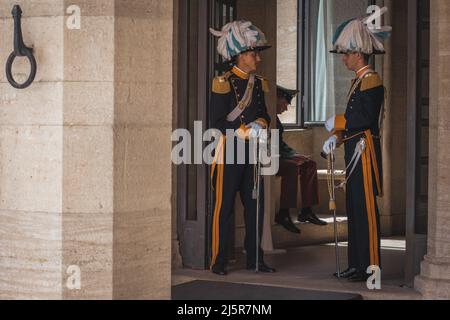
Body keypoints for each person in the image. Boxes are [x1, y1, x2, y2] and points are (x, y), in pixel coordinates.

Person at [322, 7, 391, 282]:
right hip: (354, 152)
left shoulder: (371, 81)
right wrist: (336, 139)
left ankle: (371, 266)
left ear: (358, 53)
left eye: (346, 54)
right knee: (354, 209)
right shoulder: (358, 81)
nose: (344, 59)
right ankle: (356, 264)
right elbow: (351, 124)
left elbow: (362, 119)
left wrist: (336, 121)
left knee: (366, 213)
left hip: (365, 155)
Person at [209, 20, 276, 276]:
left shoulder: (257, 83)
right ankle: (219, 259)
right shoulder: (223, 82)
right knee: (224, 208)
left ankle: (255, 259)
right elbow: (215, 123)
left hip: (253, 154)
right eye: (252, 53)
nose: (257, 58)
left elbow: (265, 114)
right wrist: (240, 130)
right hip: (229, 152)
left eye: (256, 53)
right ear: (239, 56)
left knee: (255, 207)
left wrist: (260, 123)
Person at [275, 86, 327, 234]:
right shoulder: (267, 117)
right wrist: (292, 156)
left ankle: (307, 210)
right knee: (291, 167)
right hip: (267, 159)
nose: (285, 108)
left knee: (309, 164)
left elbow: (280, 144)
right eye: (285, 103)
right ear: (276, 98)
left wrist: (295, 154)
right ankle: (284, 213)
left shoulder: (276, 118)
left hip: (280, 156)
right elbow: (270, 146)